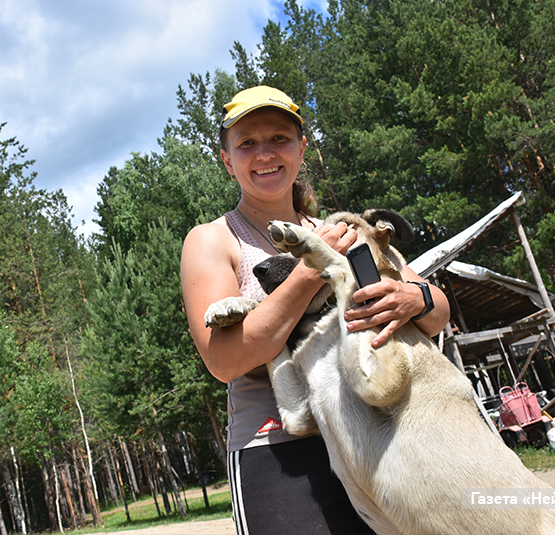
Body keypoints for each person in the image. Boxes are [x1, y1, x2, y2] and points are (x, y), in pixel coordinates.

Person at [180, 86, 450, 535]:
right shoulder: (211, 240)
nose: (264, 153)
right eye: (247, 143)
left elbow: (439, 312)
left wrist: (413, 298)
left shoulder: (342, 231)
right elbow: (224, 360)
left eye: (279, 138)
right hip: (281, 449)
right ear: (227, 161)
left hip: (382, 436)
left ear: (301, 149)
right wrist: (311, 272)